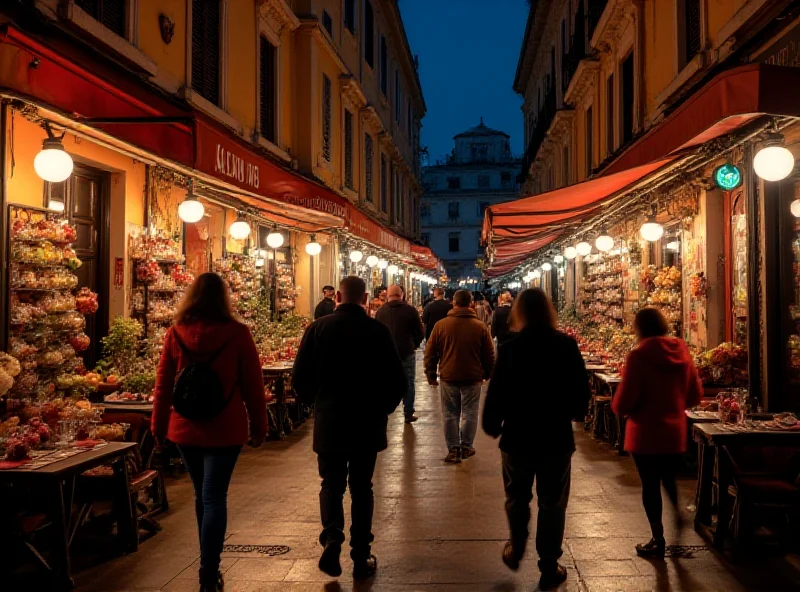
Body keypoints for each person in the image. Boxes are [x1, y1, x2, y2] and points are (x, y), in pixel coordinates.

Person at [152, 273, 267, 592]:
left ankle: (208, 562)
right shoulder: (238, 334)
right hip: (226, 427)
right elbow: (253, 386)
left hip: (185, 428)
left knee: (201, 494)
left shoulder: (175, 333)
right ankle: (208, 570)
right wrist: (260, 427)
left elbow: (163, 386)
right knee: (215, 494)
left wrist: (158, 426)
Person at [293, 276, 407, 580]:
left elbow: (299, 379)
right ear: (366, 298)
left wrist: (315, 404)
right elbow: (398, 381)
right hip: (366, 423)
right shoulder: (378, 331)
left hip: (330, 421)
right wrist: (383, 408)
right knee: (361, 487)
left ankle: (332, 536)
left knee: (330, 483)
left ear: (338, 296)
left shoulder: (317, 329)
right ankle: (360, 553)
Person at [482, 288, 589, 591]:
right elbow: (581, 390)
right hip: (555, 436)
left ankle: (516, 546)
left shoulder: (511, 348)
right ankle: (548, 563)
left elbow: (497, 389)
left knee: (517, 496)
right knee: (552, 502)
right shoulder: (566, 346)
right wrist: (574, 413)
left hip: (517, 436)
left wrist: (492, 423)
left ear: (519, 313)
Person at [612, 307, 702, 558]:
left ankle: (658, 537)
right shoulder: (682, 351)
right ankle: (678, 513)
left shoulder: (638, 357)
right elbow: (694, 394)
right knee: (669, 478)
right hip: (674, 430)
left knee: (650, 486)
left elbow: (624, 402)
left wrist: (622, 406)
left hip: (645, 433)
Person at [424, 289, 495, 463]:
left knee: (450, 413)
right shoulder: (480, 327)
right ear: (470, 303)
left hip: (448, 376)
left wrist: (431, 373)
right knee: (470, 412)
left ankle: (453, 448)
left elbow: (430, 352)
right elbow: (489, 354)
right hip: (472, 376)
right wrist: (487, 373)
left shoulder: (441, 325)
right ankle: (466, 445)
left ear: (453, 303)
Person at [376, 284, 425, 423]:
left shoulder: (381, 312)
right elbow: (420, 332)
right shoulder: (411, 310)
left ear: (387, 296)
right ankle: (408, 412)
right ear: (401, 295)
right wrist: (413, 344)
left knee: (385, 381)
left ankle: (384, 410)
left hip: (386, 354)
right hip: (407, 352)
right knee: (409, 382)